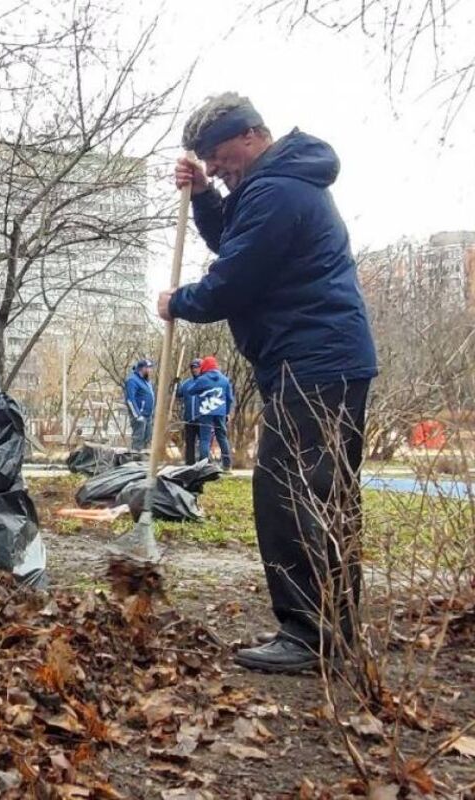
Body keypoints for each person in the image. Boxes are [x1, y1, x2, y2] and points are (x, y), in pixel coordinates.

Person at [160, 93, 377, 673]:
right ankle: (330, 628)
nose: (211, 167)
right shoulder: (272, 184)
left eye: (216, 154)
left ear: (251, 134)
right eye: (203, 160)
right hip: (316, 363)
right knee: (322, 496)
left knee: (291, 495)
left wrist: (178, 301)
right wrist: (206, 198)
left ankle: (311, 635)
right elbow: (233, 240)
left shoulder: (278, 191)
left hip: (314, 364)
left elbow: (233, 279)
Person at [189, 355, 233, 470]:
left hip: (206, 412)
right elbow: (230, 398)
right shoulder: (225, 380)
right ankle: (227, 465)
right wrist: (227, 412)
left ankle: (204, 465)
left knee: (205, 438)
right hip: (220, 413)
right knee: (222, 437)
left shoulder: (202, 379)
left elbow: (191, 391)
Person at [123, 359, 155, 451]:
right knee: (138, 439)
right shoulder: (132, 380)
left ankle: (143, 461)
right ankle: (135, 459)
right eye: (148, 368)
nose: (150, 370)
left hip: (148, 415)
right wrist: (137, 415)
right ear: (142, 369)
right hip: (139, 415)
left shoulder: (146, 381)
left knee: (147, 439)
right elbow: (130, 399)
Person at [176, 358, 202, 465]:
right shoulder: (187, 383)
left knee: (203, 442)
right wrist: (176, 385)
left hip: (202, 418)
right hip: (189, 419)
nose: (194, 370)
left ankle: (204, 462)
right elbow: (178, 394)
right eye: (193, 368)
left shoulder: (205, 382)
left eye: (196, 367)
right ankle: (189, 463)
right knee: (190, 442)